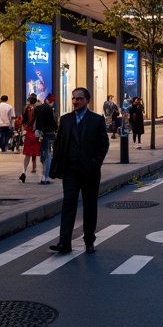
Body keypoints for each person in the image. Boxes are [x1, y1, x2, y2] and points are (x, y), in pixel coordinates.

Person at [49, 87, 110, 254]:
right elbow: (60, 144)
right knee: (68, 204)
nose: (75, 101)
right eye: (74, 98)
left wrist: (96, 162)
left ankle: (89, 240)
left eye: (79, 99)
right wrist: (56, 166)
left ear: (87, 100)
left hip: (90, 170)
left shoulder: (97, 120)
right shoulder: (66, 119)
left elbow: (104, 144)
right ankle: (64, 243)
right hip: (70, 170)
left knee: (90, 205)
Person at [34, 92, 58, 184]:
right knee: (48, 154)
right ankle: (46, 175)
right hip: (49, 133)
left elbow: (36, 121)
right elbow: (52, 122)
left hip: (39, 133)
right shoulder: (49, 109)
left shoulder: (37, 109)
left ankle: (41, 175)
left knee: (41, 153)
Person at [19, 93, 40, 182]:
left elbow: (24, 120)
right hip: (36, 132)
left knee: (27, 153)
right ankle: (41, 173)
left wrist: (23, 129)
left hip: (28, 132)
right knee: (37, 151)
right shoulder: (38, 108)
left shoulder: (26, 108)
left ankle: (23, 171)